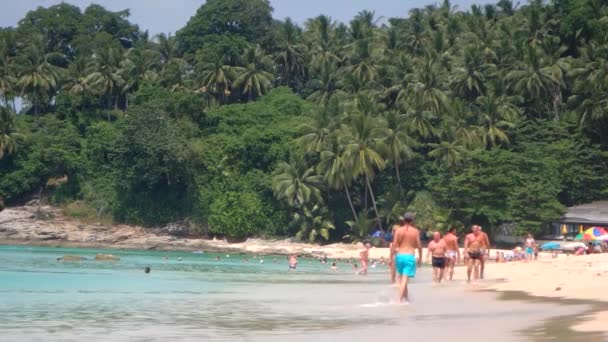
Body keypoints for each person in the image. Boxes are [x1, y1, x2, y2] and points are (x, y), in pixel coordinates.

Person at [391, 212, 422, 304]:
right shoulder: (415, 231)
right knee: (404, 280)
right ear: (412, 221)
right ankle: (399, 301)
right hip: (409, 256)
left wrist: (390, 257)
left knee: (401, 279)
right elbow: (419, 245)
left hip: (399, 256)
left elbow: (394, 244)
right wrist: (420, 257)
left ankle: (406, 299)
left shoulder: (398, 230)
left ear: (403, 220)